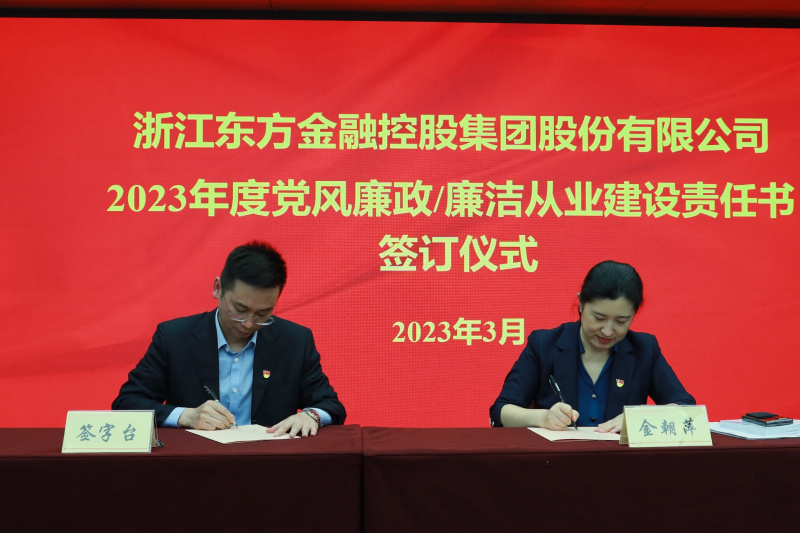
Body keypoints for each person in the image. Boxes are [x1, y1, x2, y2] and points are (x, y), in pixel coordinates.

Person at [112, 240, 345, 437]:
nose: (249, 323)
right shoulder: (175, 338)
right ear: (218, 288)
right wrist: (186, 416)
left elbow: (330, 404)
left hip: (270, 465)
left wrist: (311, 415)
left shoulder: (294, 341)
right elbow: (127, 403)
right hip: (195, 464)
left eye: (263, 314)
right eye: (239, 310)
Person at [490, 260, 694, 433]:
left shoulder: (644, 349)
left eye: (621, 321)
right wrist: (543, 418)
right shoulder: (544, 345)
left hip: (623, 464)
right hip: (556, 462)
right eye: (599, 318)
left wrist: (638, 418)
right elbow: (501, 411)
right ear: (581, 303)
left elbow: (688, 410)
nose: (608, 331)